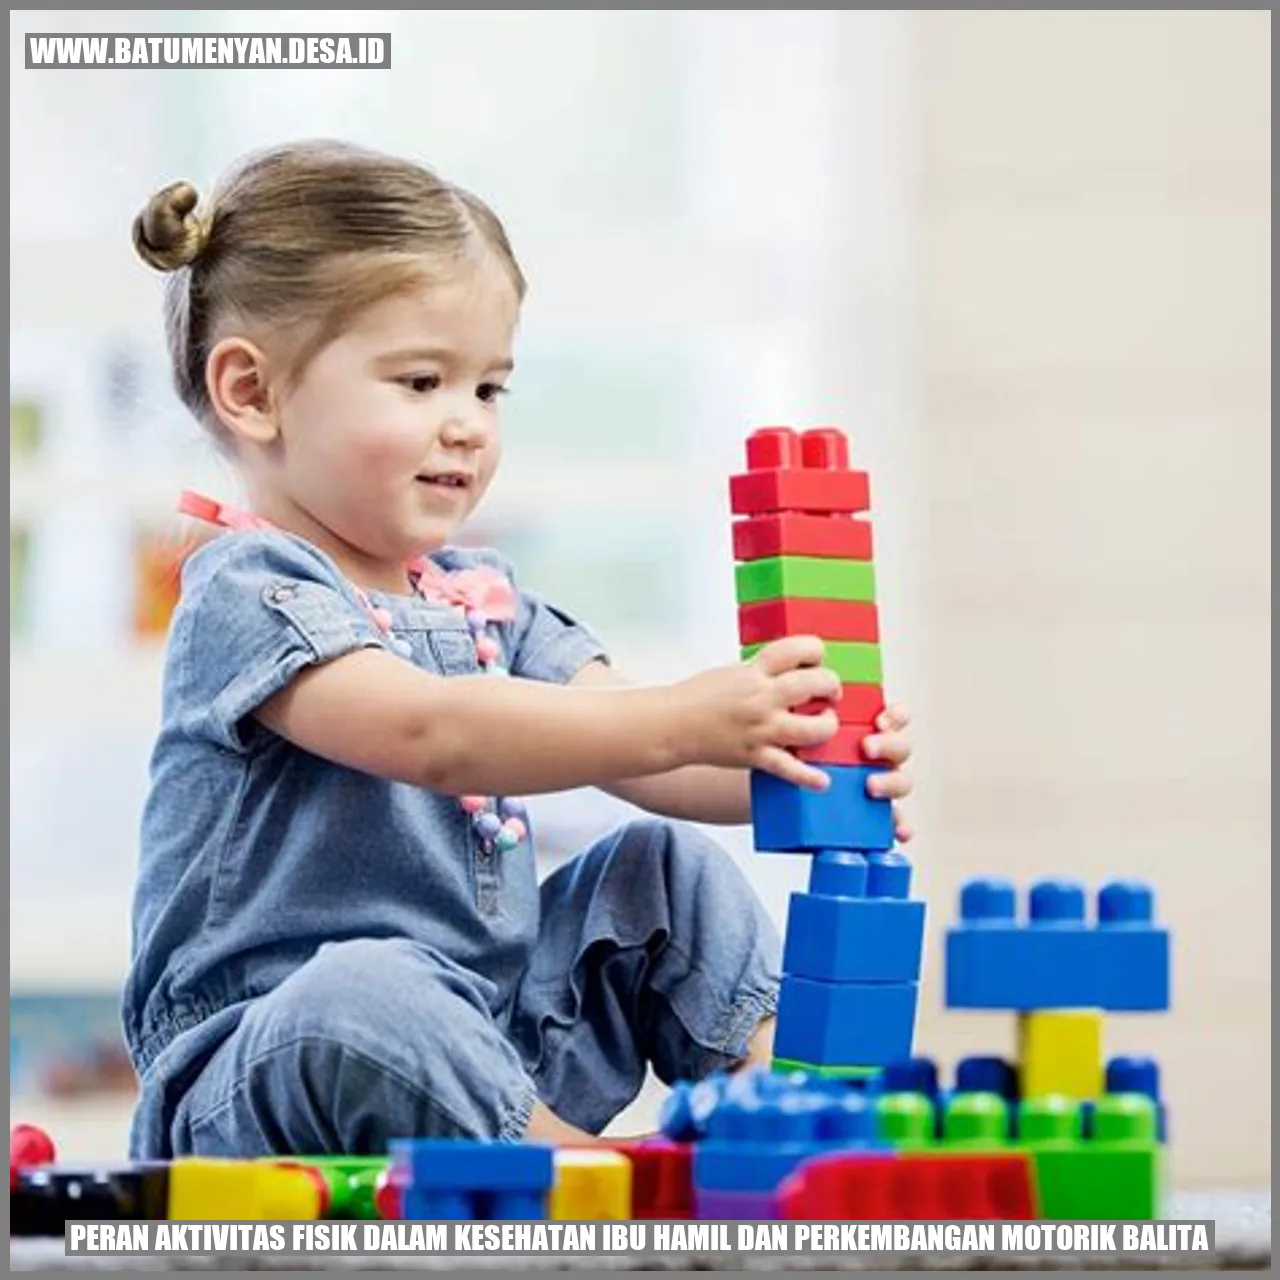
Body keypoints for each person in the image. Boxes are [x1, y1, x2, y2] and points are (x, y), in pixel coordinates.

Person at [121, 139, 914, 1159]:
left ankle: (800, 1123)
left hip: (485, 1031)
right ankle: (582, 1175)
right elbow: (431, 731)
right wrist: (686, 713)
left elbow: (647, 751)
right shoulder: (249, 591)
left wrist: (793, 755)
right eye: (420, 381)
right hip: (271, 1065)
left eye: (489, 390)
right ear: (251, 391)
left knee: (662, 869)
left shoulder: (479, 601)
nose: (467, 426)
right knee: (371, 984)